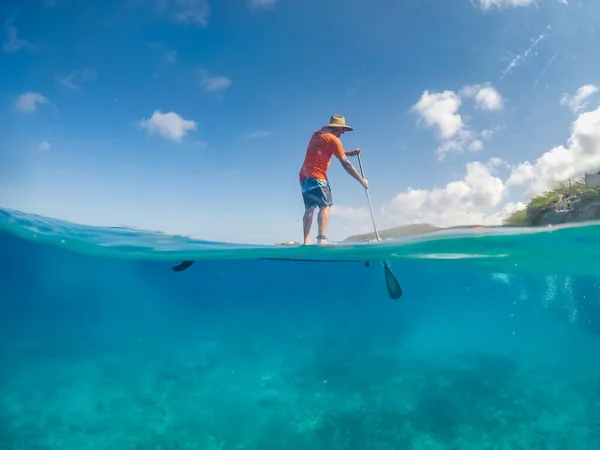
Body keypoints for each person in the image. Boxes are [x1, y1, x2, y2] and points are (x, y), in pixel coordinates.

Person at [298, 115, 368, 245]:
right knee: (325, 206)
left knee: (310, 208)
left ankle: (306, 241)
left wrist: (351, 153)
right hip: (318, 177)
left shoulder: (317, 134)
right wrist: (361, 180)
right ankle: (322, 240)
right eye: (342, 130)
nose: (343, 133)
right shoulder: (334, 140)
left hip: (304, 177)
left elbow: (336, 151)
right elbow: (346, 164)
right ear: (336, 128)